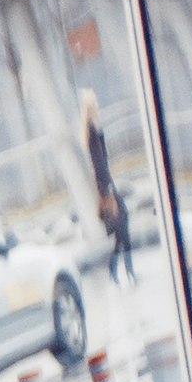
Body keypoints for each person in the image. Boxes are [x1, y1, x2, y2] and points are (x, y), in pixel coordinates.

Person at [82, 88, 133, 280]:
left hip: (106, 185)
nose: (97, 106)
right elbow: (99, 165)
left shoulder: (92, 129)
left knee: (119, 235)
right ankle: (124, 272)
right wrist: (107, 191)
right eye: (94, 104)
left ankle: (123, 273)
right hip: (106, 186)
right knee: (121, 230)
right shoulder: (92, 131)